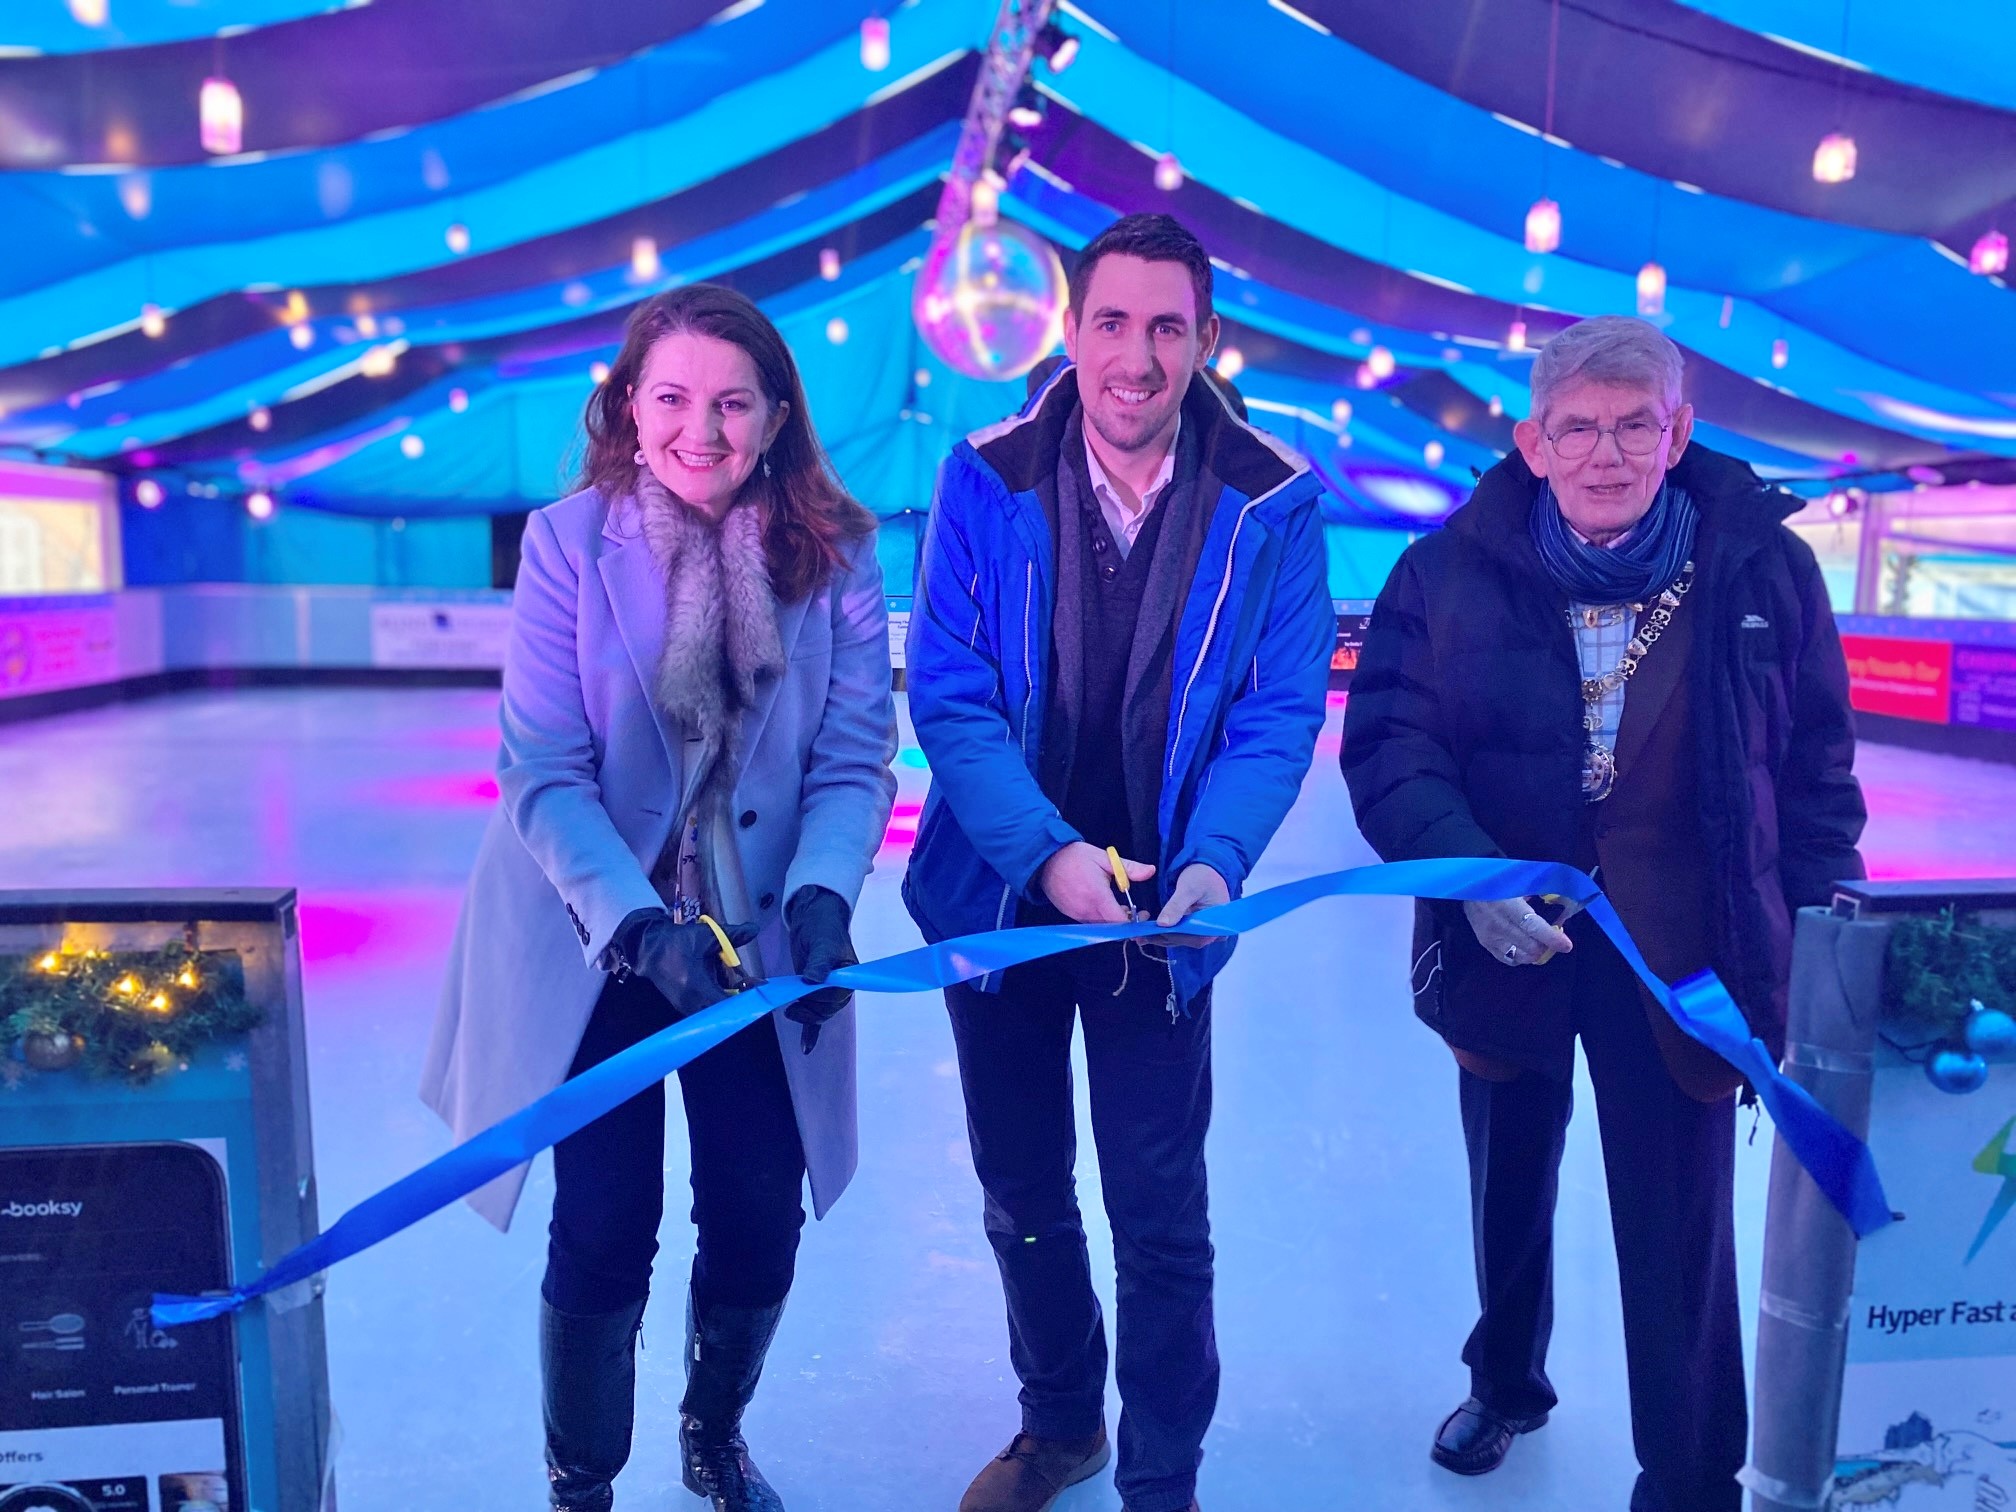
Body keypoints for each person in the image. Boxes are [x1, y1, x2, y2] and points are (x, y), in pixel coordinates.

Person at [1341, 315, 1866, 1510]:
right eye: (1577, 428)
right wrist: (1473, 878)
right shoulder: (1445, 572)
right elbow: (1391, 751)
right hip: (1507, 940)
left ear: (1678, 434)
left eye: (1636, 425)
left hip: (1686, 955)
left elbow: (1817, 771)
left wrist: (1814, 944)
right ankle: (1505, 1383)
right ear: (1533, 443)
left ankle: (1690, 1472)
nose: (1607, 453)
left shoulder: (1762, 571)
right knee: (1508, 1185)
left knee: (1681, 1226)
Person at [422, 284, 897, 1512]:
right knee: (604, 1216)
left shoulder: (838, 552)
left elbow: (854, 760)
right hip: (598, 932)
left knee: (757, 1209)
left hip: (758, 938)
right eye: (674, 398)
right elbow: (543, 767)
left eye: (733, 403)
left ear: (777, 416)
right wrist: (637, 924)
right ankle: (581, 1477)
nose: (703, 429)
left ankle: (713, 1430)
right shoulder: (568, 543)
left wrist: (825, 893)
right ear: (631, 407)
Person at [903, 213, 1334, 1512]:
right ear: (1072, 329)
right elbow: (953, 697)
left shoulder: (1274, 502)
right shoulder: (983, 479)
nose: (1136, 358)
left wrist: (1215, 866)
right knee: (1023, 1188)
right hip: (1003, 896)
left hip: (1163, 912)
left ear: (1205, 338)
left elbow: (1277, 712)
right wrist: (1045, 857)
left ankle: (1161, 1476)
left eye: (1165, 328)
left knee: (1159, 1208)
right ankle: (1060, 1425)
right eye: (1112, 323)